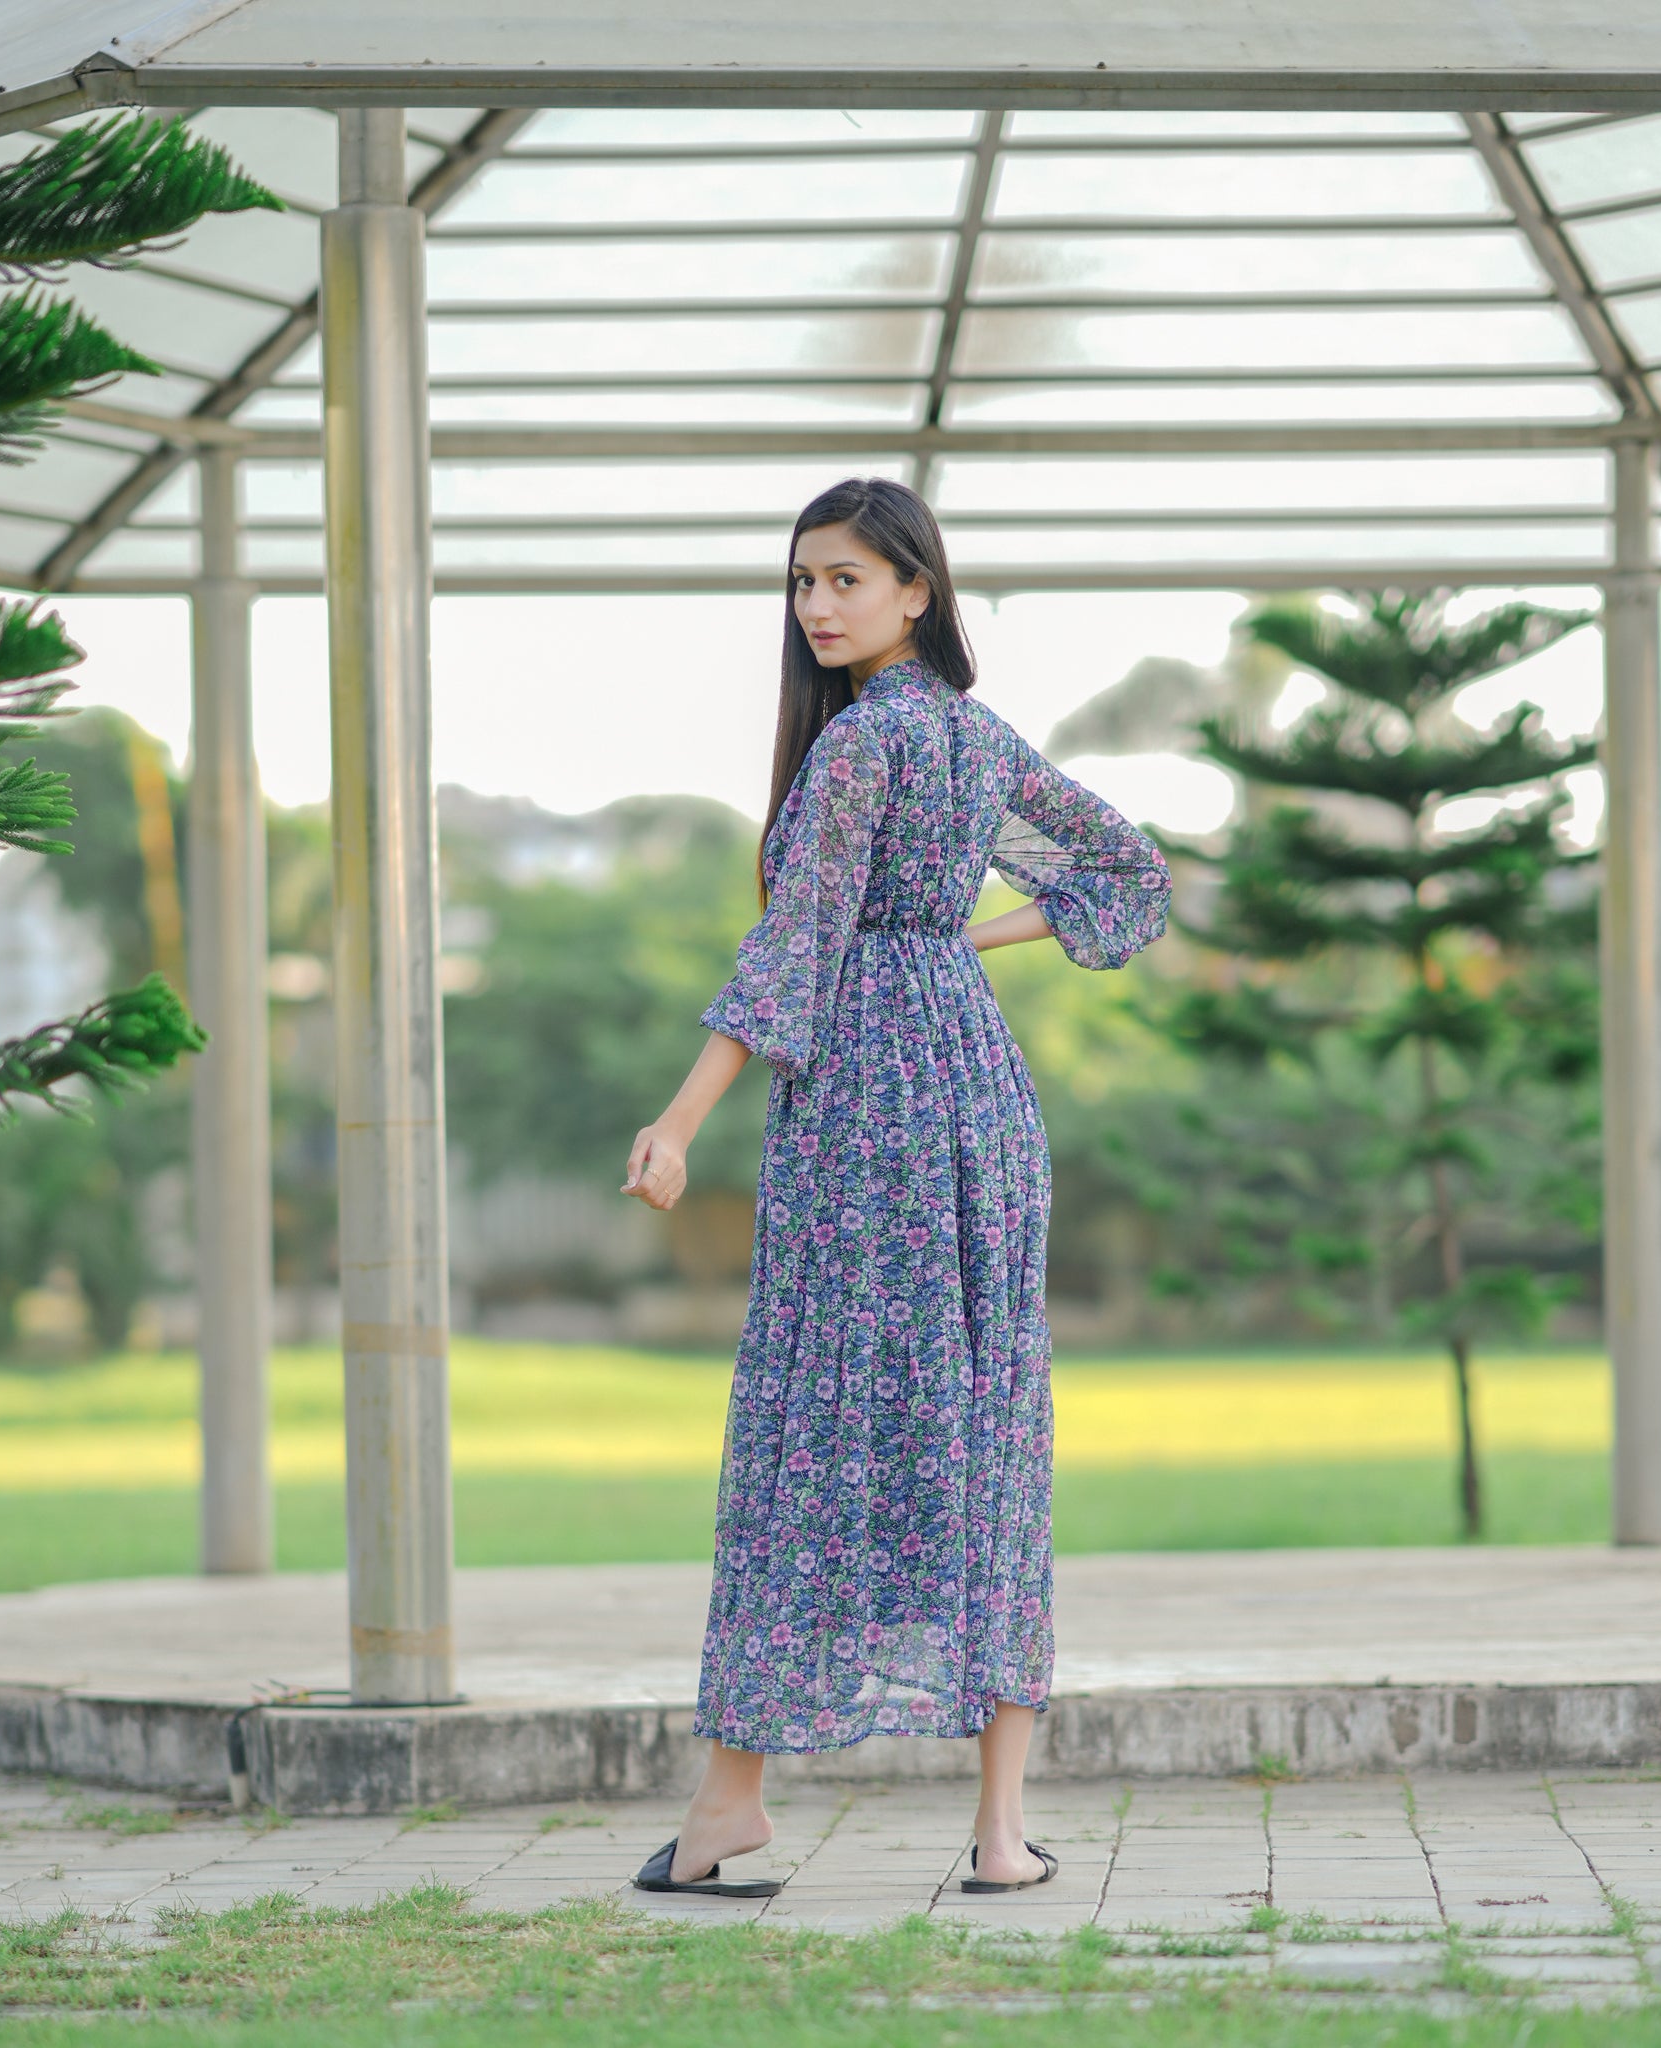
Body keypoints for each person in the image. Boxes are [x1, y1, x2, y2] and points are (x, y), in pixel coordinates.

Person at [618, 477, 1170, 1900]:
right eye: (803, 583)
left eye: (846, 581)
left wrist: (678, 1124)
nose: (817, 607)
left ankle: (732, 1799)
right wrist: (957, 940)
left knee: (814, 1430)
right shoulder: (978, 740)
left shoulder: (861, 748)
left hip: (866, 1117)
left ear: (918, 590)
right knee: (990, 1429)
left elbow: (791, 953)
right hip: (981, 1102)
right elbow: (1129, 872)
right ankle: (999, 1833)